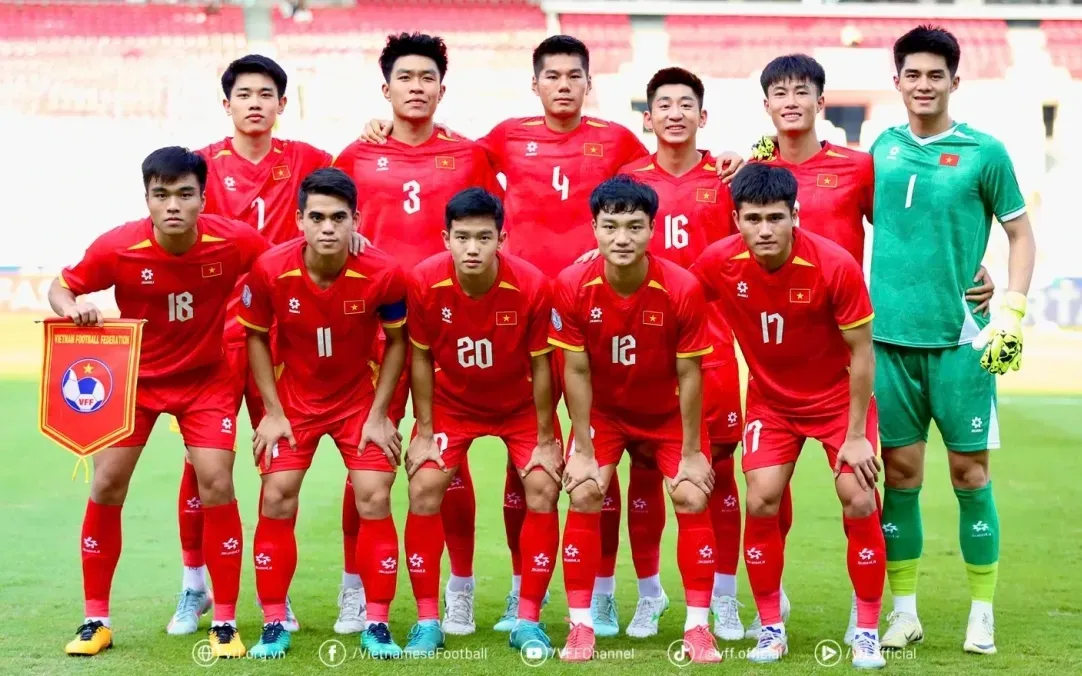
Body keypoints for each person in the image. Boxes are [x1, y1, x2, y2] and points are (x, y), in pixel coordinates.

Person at [362, 35, 745, 636]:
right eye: (552, 76)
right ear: (534, 83)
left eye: (574, 76)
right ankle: (501, 591)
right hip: (517, 322)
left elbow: (662, 166)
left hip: (602, 319)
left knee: (617, 462)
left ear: (589, 84)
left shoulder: (617, 141)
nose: (563, 86)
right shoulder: (503, 138)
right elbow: (445, 152)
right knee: (524, 463)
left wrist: (739, 155)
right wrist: (382, 127)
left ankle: (623, 593)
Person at [744, 52, 999, 643]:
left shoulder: (860, 166)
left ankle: (872, 615)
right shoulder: (751, 172)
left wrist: (970, 266)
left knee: (864, 489)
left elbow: (910, 228)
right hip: (777, 357)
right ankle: (769, 601)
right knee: (765, 488)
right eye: (779, 92)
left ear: (820, 101)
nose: (791, 102)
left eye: (802, 92)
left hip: (851, 354)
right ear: (766, 104)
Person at [52, 147, 267, 658]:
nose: (173, 205)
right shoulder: (119, 245)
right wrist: (75, 306)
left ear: (203, 198)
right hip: (137, 382)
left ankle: (225, 622)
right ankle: (96, 620)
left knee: (216, 482)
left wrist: (353, 243)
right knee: (107, 482)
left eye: (185, 194)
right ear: (147, 197)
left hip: (207, 380)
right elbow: (62, 287)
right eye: (161, 194)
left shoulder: (234, 240)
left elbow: (284, 265)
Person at [168, 52, 352, 638]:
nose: (254, 103)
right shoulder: (198, 165)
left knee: (280, 466)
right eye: (244, 94)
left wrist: (376, 130)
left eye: (265, 94)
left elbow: (350, 195)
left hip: (288, 342)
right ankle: (193, 585)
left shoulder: (311, 160)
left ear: (282, 103)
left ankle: (277, 595)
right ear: (226, 104)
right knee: (202, 466)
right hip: (218, 338)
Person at [871, 25, 1035, 655]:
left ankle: (981, 613)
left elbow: (1021, 234)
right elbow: (860, 210)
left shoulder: (984, 152)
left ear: (954, 82)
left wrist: (1011, 310)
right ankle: (904, 612)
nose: (923, 84)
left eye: (935, 75)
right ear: (896, 81)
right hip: (890, 341)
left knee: (970, 474)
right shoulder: (881, 149)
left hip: (962, 343)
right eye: (912, 74)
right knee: (900, 475)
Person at [334, 31, 502, 640]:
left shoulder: (469, 156)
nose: (416, 87)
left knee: (447, 464)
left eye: (427, 77)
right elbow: (327, 222)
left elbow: (493, 226)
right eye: (404, 78)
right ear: (386, 89)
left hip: (444, 329)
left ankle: (460, 591)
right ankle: (354, 588)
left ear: (441, 89)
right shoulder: (355, 155)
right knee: (366, 463)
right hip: (372, 333)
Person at [691, 163, 887, 668]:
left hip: (837, 400)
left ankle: (867, 628)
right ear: (736, 219)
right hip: (772, 403)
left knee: (859, 496)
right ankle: (771, 626)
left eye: (775, 217)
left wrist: (857, 435)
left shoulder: (833, 264)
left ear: (795, 215)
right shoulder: (718, 262)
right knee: (761, 498)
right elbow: (678, 296)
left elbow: (862, 352)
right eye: (753, 218)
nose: (764, 230)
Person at [549, 175, 722, 663]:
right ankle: (581, 626)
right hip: (605, 414)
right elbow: (575, 371)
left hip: (666, 414)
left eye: (634, 226)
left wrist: (692, 452)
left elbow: (690, 374)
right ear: (594, 229)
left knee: (691, 494)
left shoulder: (681, 287)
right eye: (610, 226)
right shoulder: (571, 285)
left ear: (652, 230)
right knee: (584, 490)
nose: (622, 238)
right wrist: (583, 449)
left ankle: (698, 628)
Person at [237, 168, 407, 659]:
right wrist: (271, 412)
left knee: (374, 496)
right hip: (295, 400)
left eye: (338, 217)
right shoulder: (270, 269)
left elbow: (398, 341)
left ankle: (377, 622)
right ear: (299, 220)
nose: (328, 227)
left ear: (356, 220)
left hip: (358, 400)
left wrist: (380, 414)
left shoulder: (384, 272)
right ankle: (274, 621)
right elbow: (254, 336)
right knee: (276, 496)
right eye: (317, 217)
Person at [401, 188, 562, 657]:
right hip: (454, 404)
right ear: (445, 238)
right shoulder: (424, 281)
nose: (473, 248)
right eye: (463, 237)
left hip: (519, 407)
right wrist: (424, 432)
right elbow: (420, 358)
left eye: (484, 238)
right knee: (424, 485)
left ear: (501, 239)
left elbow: (542, 365)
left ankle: (528, 619)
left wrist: (547, 438)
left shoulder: (532, 285)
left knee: (543, 487)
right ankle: (428, 620)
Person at [616, 67, 743, 641]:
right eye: (663, 105)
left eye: (685, 104)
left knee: (719, 471)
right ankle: (649, 595)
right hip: (643, 353)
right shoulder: (628, 179)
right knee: (644, 470)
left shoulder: (727, 177)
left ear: (702, 115)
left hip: (711, 347)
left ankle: (725, 597)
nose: (674, 113)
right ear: (648, 118)